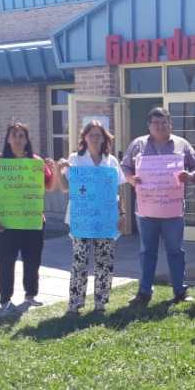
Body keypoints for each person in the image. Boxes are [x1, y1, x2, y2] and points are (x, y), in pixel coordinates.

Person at [122, 107, 195, 305]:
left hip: (172, 210)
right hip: (146, 210)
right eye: (155, 123)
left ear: (170, 124)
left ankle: (180, 291)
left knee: (175, 251)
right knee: (147, 252)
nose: (160, 126)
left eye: (164, 122)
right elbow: (125, 166)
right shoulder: (138, 145)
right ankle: (144, 292)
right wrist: (131, 179)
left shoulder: (182, 144)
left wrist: (190, 176)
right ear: (149, 126)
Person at [0, 123, 56, 312]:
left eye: (21, 135)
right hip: (6, 222)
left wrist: (52, 169)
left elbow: (49, 187)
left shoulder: (36, 162)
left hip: (33, 222)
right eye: (14, 135)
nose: (17, 139)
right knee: (5, 262)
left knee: (33, 261)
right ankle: (5, 300)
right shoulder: (0, 164)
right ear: (8, 139)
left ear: (27, 139)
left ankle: (30, 295)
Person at [57, 120, 127, 316]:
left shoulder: (111, 161)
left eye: (99, 135)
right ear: (84, 138)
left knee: (104, 261)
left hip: (105, 219)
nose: (95, 138)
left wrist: (122, 214)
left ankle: (100, 304)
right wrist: (58, 170)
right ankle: (75, 304)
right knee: (79, 261)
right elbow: (64, 188)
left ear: (104, 138)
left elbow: (119, 190)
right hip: (82, 219)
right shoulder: (75, 159)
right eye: (91, 135)